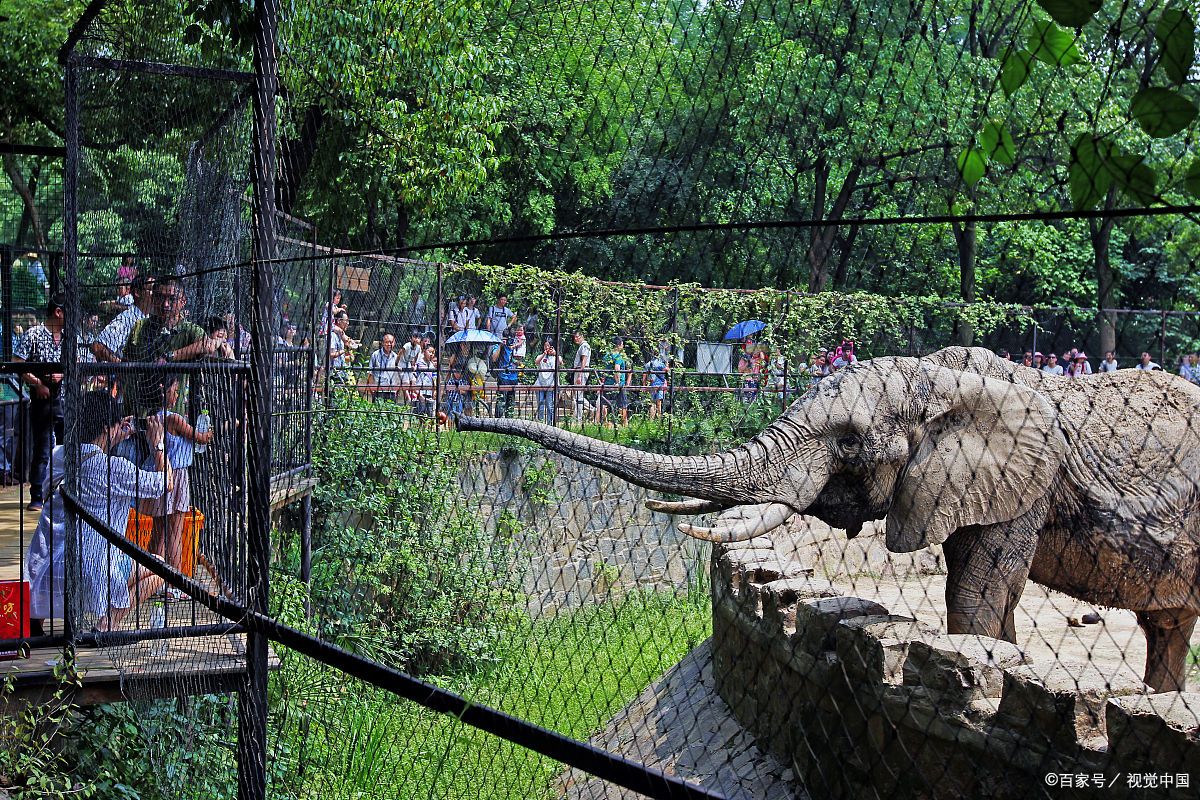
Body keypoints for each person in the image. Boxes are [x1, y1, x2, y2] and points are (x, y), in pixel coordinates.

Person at [23, 390, 172, 633]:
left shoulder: (60, 454)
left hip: (50, 563)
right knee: (160, 568)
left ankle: (36, 621)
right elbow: (165, 483)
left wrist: (112, 437)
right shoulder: (116, 468)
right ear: (106, 427)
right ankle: (105, 627)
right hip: (97, 566)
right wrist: (157, 443)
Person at [132, 375, 211, 580]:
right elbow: (201, 438)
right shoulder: (172, 418)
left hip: (158, 471)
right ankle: (174, 584)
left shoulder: (151, 418)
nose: (177, 395)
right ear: (163, 391)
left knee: (159, 531)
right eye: (175, 390)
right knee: (175, 531)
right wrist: (222, 427)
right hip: (175, 475)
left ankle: (148, 578)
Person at [122, 276, 211, 417]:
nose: (166, 304)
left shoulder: (189, 331)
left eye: (172, 299)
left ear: (183, 301)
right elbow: (125, 361)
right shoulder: (141, 326)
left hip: (169, 419)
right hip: (134, 413)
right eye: (160, 297)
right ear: (153, 299)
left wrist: (169, 356)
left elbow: (208, 344)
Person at [14, 293, 66, 512]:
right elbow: (18, 363)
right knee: (43, 447)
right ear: (58, 312)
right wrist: (38, 384)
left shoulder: (68, 337)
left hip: (63, 398)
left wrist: (61, 375)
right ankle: (37, 494)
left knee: (66, 444)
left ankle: (63, 490)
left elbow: (76, 362)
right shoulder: (34, 334)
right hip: (41, 398)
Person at [92, 274, 156, 362]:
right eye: (151, 289)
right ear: (137, 292)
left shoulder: (150, 319)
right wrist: (122, 367)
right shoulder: (127, 318)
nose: (156, 293)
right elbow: (97, 346)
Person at [598, 337, 630, 426]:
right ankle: (624, 424)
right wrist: (618, 382)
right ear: (619, 345)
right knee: (622, 405)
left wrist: (603, 381)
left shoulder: (607, 356)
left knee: (605, 404)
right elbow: (617, 368)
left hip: (607, 383)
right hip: (618, 385)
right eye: (622, 344)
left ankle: (604, 422)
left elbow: (604, 370)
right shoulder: (619, 356)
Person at [364, 333, 401, 402]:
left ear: (394, 343)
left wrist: (396, 391)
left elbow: (398, 376)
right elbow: (370, 374)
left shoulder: (396, 357)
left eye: (391, 342)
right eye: (387, 342)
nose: (389, 344)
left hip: (391, 391)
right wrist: (373, 391)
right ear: (383, 343)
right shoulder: (375, 355)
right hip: (379, 391)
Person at [491, 334, 520, 418]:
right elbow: (494, 358)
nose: (509, 341)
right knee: (501, 400)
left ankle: (509, 420)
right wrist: (501, 345)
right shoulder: (499, 345)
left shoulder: (516, 345)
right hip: (503, 376)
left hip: (513, 377)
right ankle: (497, 421)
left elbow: (519, 360)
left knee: (511, 401)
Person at [534, 340, 558, 423]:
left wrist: (555, 353)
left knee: (549, 405)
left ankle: (549, 423)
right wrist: (544, 354)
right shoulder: (541, 356)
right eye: (545, 345)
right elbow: (536, 362)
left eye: (548, 346)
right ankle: (540, 422)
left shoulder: (555, 357)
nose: (547, 347)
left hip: (550, 385)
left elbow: (561, 362)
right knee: (540, 404)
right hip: (540, 384)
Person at [571, 331, 593, 423]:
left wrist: (580, 374)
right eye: (574, 337)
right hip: (579, 370)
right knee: (577, 395)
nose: (576, 339)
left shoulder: (584, 346)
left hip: (581, 371)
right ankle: (577, 417)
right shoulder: (582, 346)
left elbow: (584, 360)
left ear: (581, 336)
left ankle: (580, 418)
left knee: (579, 395)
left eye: (577, 337)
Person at [644, 351, 668, 419]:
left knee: (652, 402)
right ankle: (659, 418)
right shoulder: (660, 364)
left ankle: (651, 419)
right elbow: (666, 370)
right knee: (659, 403)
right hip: (660, 385)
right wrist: (667, 364)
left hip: (651, 384)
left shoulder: (648, 364)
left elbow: (644, 376)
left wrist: (644, 385)